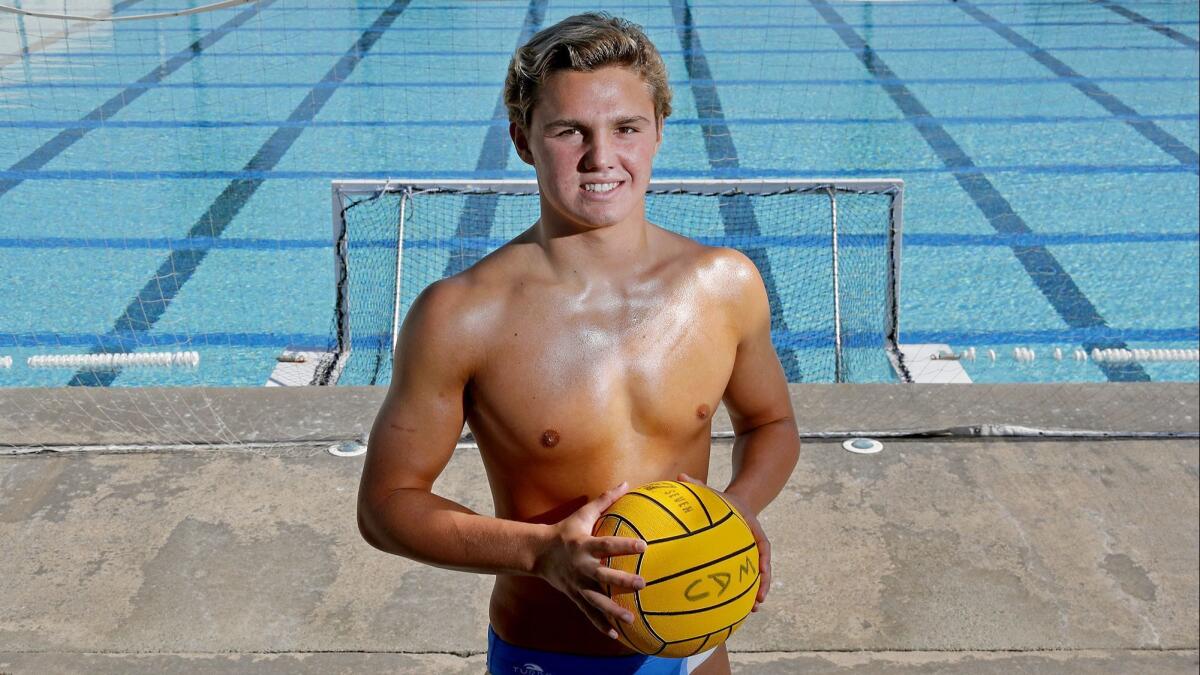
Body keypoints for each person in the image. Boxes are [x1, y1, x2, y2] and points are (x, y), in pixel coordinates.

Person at [357, 12, 800, 675]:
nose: (602, 158)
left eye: (626, 128)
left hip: (696, 643)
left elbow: (773, 423)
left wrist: (733, 509)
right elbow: (387, 504)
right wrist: (541, 552)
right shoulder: (460, 316)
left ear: (656, 133)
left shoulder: (724, 284)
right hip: (548, 651)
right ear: (522, 139)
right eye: (570, 132)